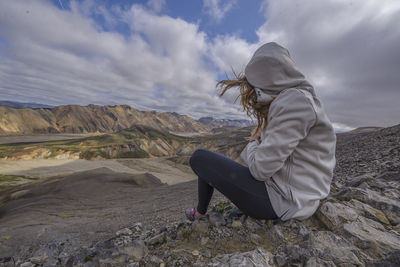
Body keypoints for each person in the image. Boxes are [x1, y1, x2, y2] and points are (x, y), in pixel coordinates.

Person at [186, 42, 336, 222]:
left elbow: (259, 170)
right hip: (293, 195)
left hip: (284, 203)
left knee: (200, 158)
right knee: (210, 162)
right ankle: (200, 212)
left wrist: (254, 141)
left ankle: (199, 213)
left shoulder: (294, 102)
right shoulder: (299, 99)